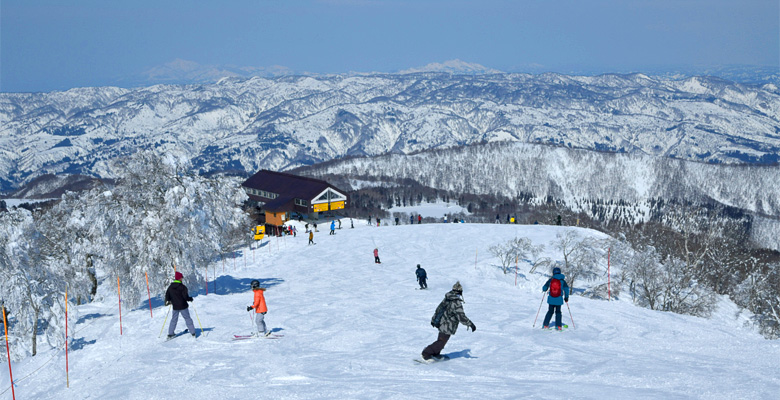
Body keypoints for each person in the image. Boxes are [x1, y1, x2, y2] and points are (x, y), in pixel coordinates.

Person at [421, 281, 475, 361]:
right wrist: (470, 324)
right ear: (460, 292)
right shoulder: (456, 302)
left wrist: (434, 319)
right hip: (448, 325)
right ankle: (426, 353)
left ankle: (435, 354)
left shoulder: (447, 298)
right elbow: (461, 316)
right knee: (441, 342)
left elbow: (438, 309)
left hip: (442, 323)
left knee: (441, 341)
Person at [165, 271, 196, 338]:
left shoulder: (170, 287)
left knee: (174, 319)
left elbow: (167, 296)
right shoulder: (183, 287)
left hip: (175, 306)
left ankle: (170, 334)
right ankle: (193, 332)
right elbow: (186, 297)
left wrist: (170, 301)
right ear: (179, 278)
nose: (182, 278)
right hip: (183, 306)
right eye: (182, 277)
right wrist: (190, 299)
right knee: (187, 318)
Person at [542, 266, 570, 330]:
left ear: (553, 273)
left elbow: (544, 288)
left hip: (551, 299)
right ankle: (558, 326)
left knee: (550, 311)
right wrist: (566, 297)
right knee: (558, 312)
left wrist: (546, 289)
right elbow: (566, 289)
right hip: (559, 299)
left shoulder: (551, 280)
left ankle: (545, 325)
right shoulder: (563, 281)